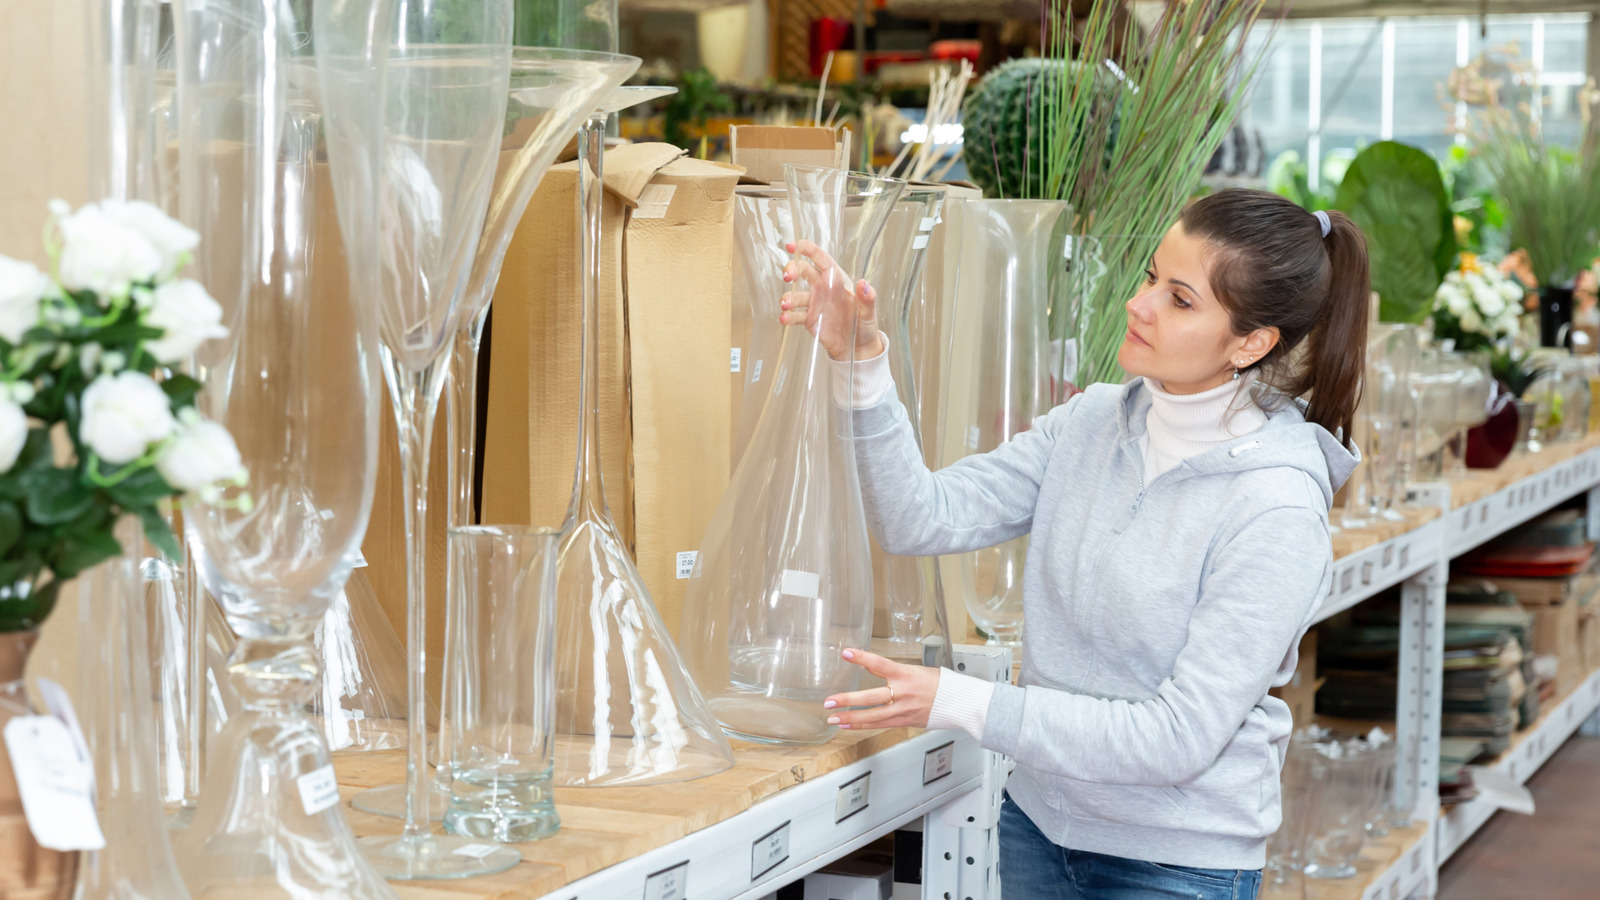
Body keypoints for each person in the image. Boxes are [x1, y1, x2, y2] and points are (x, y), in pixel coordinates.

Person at [778, 189, 1369, 900]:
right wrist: (861, 359)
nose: (1139, 305)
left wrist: (964, 702)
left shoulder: (1275, 506)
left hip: (1174, 864)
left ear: (1252, 343)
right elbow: (920, 517)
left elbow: (1178, 736)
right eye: (1152, 277)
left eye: (1180, 300)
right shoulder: (1089, 425)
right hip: (1038, 828)